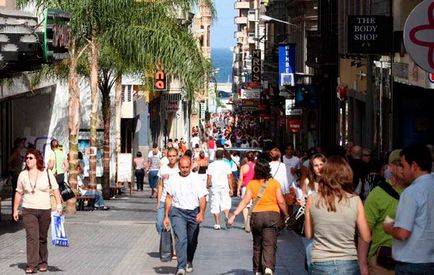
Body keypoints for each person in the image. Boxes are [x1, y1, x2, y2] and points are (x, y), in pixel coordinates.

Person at [304, 155, 371, 275]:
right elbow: (366, 237)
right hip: (348, 262)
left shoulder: (312, 199)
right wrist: (363, 262)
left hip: (320, 261)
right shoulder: (355, 200)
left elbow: (309, 234)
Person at [228, 158, 289, 275]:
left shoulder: (252, 184)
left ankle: (257, 270)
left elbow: (245, 201)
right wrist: (286, 214)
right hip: (272, 216)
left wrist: (234, 215)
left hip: (257, 216)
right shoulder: (274, 183)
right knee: (269, 243)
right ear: (268, 169)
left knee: (257, 244)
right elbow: (281, 201)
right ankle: (268, 267)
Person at [383, 144, 434, 274]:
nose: (402, 171)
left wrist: (388, 227)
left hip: (411, 263)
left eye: (403, 166)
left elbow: (402, 233)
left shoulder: (411, 192)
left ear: (414, 166)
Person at [13, 148, 63, 274]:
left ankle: (43, 262)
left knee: (42, 237)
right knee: (32, 237)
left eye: (30, 158)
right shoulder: (22, 175)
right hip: (28, 209)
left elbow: (56, 189)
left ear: (37, 159)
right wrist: (15, 210)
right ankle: (31, 265)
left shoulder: (46, 172)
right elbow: (18, 193)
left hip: (45, 209)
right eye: (26, 158)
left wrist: (59, 204)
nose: (28, 160)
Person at [359, 149, 406, 275]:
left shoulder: (417, 191)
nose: (403, 169)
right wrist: (362, 264)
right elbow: (365, 229)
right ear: (390, 167)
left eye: (405, 164)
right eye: (399, 165)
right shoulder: (378, 193)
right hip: (382, 263)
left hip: (411, 260)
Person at [163, 156, 208, 275]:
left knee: (192, 240)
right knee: (181, 239)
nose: (185, 169)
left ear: (190, 166)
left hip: (193, 212)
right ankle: (181, 267)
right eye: (182, 167)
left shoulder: (196, 179)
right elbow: (168, 198)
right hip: (178, 212)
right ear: (179, 167)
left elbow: (203, 198)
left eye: (187, 167)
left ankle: (189, 260)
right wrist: (166, 216)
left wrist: (201, 213)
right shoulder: (173, 179)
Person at [207, 150, 233, 230]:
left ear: (215, 156)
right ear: (223, 156)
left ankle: (217, 223)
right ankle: (226, 216)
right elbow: (229, 177)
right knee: (226, 202)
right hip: (224, 186)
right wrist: (231, 188)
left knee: (215, 204)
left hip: (215, 187)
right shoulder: (226, 165)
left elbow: (209, 177)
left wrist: (208, 185)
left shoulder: (211, 165)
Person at [156, 148, 179, 233]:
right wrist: (158, 202)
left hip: (175, 202)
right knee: (159, 223)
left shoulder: (180, 169)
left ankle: (172, 243)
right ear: (167, 157)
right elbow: (160, 185)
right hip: (163, 200)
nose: (172, 158)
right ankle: (165, 239)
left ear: (177, 156)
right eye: (170, 156)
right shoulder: (163, 168)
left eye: (174, 156)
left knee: (174, 225)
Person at [237, 151, 256, 231]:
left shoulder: (243, 167)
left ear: (246, 158)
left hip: (245, 188)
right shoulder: (257, 166)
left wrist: (238, 189)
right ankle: (253, 222)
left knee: (245, 206)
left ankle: (246, 223)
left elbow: (241, 179)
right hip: (255, 188)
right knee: (254, 206)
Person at [9, 137, 26, 219]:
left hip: (17, 174)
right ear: (18, 144)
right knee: (17, 193)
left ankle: (15, 212)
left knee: (17, 193)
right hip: (15, 175)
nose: (23, 144)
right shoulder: (16, 151)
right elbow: (10, 159)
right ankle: (14, 212)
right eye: (22, 143)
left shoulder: (18, 151)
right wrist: (11, 169)